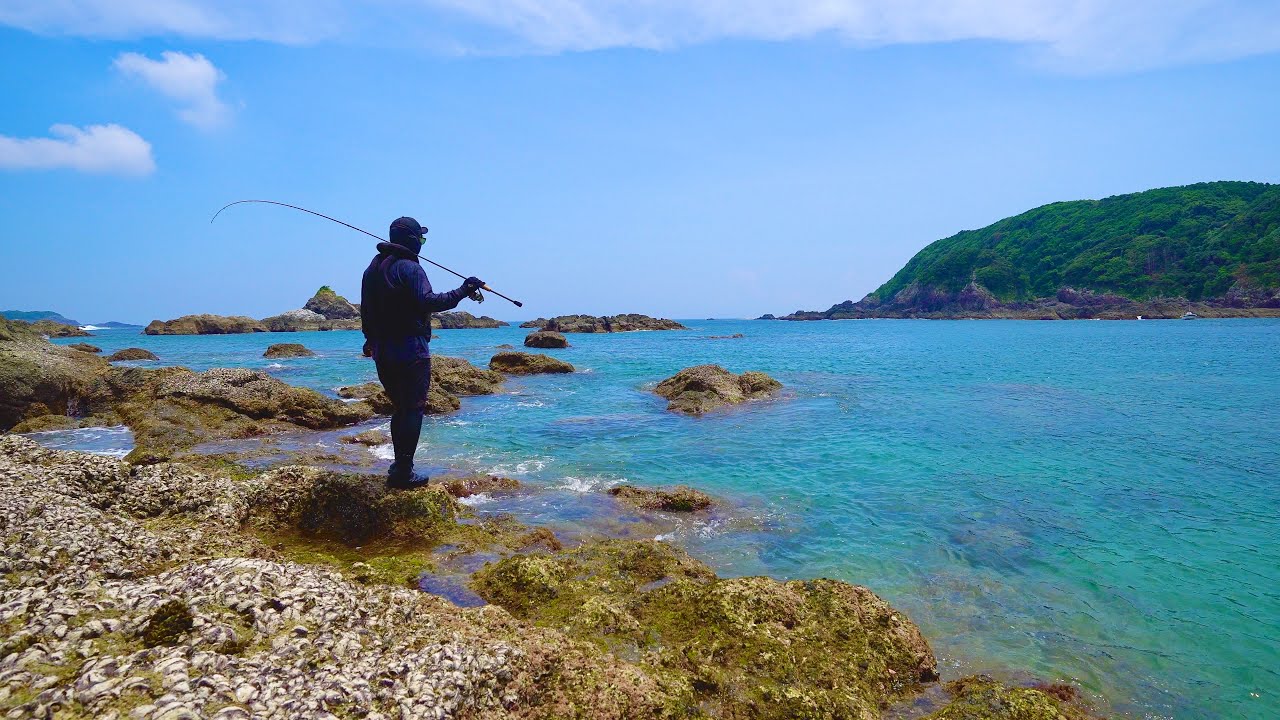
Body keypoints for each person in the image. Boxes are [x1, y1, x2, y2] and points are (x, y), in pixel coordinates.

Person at [361, 216, 484, 489]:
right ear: (412, 240)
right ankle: (403, 473)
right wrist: (465, 289)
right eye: (422, 239)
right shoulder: (410, 269)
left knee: (400, 408)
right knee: (413, 409)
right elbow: (429, 302)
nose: (423, 244)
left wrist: (369, 340)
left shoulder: (371, 271)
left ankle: (399, 467)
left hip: (383, 350)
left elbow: (366, 312)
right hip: (411, 349)